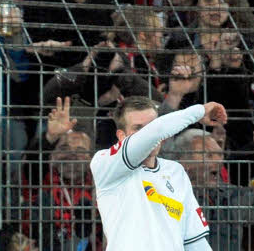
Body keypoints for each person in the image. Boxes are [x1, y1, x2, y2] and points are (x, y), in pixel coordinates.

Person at [90, 96, 226, 250]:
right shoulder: (105, 164)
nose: (149, 135)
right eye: (139, 129)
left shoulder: (176, 171)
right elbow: (155, 132)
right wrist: (199, 111)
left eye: (151, 126)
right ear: (122, 136)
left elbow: (194, 242)